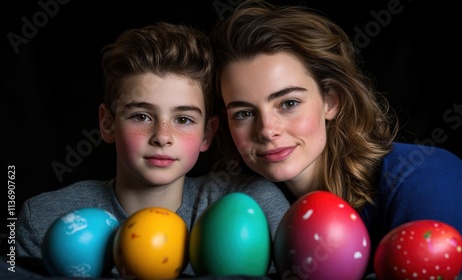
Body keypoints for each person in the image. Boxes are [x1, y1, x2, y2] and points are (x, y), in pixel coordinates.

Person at [209, 0, 462, 278]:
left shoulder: (429, 184)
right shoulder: (253, 210)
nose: (267, 130)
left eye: (288, 103)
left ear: (331, 102)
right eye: (244, 113)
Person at [15, 21, 290, 277]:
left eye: (183, 120)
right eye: (141, 116)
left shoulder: (254, 204)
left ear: (207, 133)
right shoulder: (44, 218)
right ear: (108, 123)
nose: (162, 136)